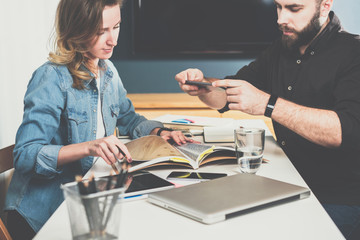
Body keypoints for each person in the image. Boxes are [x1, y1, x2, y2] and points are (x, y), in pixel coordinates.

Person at [4, 0, 192, 239]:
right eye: (100, 31)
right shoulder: (51, 78)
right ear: (76, 29)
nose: (112, 40)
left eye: (116, 26)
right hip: (43, 215)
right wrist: (88, 147)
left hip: (88, 203)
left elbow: (129, 119)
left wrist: (159, 133)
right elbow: (25, 155)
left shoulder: (109, 72)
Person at [175, 0, 360, 239]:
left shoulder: (353, 52)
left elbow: (344, 131)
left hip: (339, 200)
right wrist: (203, 87)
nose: (281, 18)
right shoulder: (280, 49)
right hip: (285, 184)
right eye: (278, 6)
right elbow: (226, 96)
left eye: (294, 9)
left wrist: (267, 104)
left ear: (324, 5)